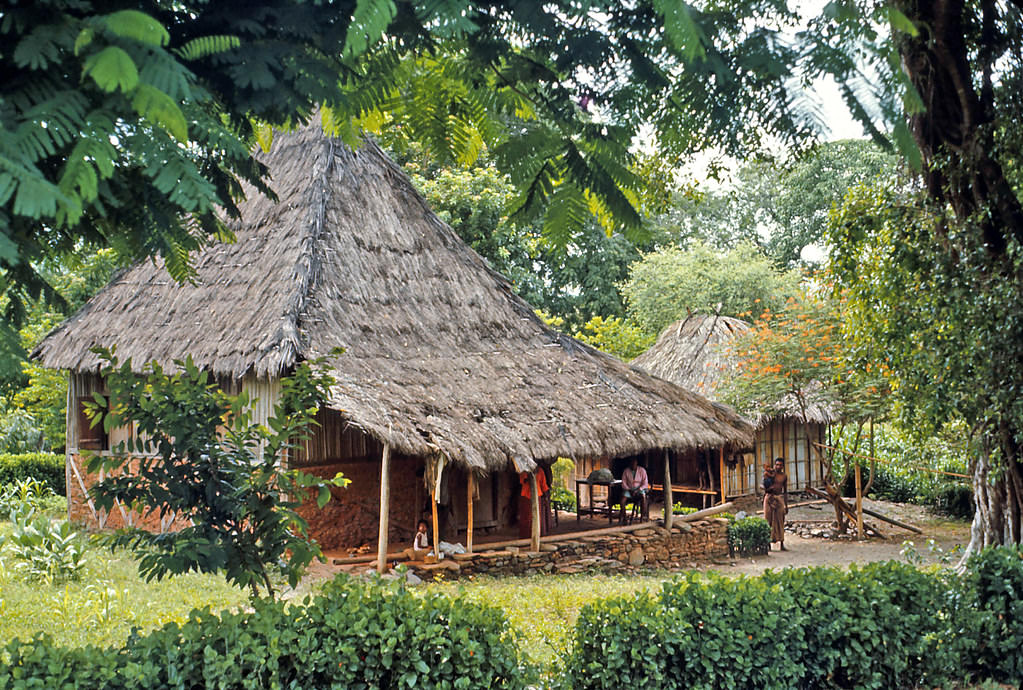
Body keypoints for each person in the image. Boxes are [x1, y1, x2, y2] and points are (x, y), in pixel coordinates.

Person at [763, 457, 788, 550]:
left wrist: (786, 505)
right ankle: (768, 544)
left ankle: (781, 543)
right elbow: (764, 486)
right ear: (774, 465)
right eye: (777, 464)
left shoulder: (784, 476)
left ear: (783, 466)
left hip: (778, 498)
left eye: (780, 465)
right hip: (769, 498)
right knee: (767, 520)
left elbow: (785, 491)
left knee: (780, 520)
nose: (778, 466)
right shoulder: (769, 474)